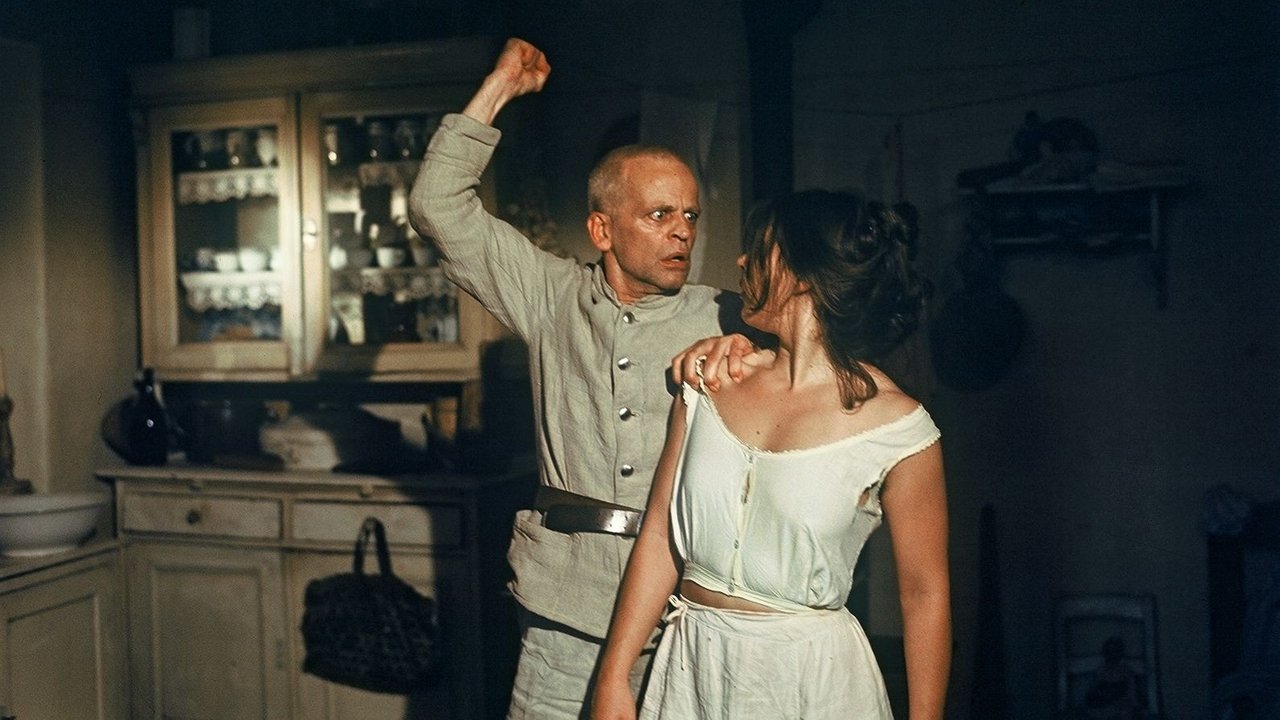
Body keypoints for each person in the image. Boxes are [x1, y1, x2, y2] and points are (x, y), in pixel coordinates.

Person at [408, 38, 764, 719]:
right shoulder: (550, 295)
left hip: (685, 611)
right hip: (563, 614)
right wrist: (500, 87)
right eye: (659, 215)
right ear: (602, 229)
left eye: (689, 215)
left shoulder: (726, 317)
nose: (681, 233)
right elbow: (437, 205)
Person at [591, 189, 952, 719]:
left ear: (804, 274)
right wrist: (614, 675)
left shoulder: (899, 427)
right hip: (694, 672)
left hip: (814, 683)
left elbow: (924, 594)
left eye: (761, 249)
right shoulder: (710, 382)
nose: (742, 261)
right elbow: (661, 535)